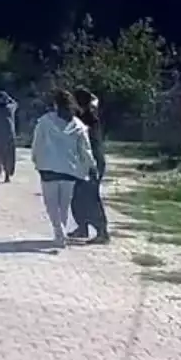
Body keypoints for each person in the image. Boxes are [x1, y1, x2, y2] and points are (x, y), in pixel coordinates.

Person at [31, 88, 97, 248]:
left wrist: (36, 161)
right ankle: (60, 232)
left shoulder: (45, 121)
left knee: (51, 205)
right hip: (69, 170)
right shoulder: (78, 125)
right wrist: (90, 166)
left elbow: (37, 144)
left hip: (48, 168)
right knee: (64, 206)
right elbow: (85, 149)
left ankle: (59, 231)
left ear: (55, 104)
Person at [68, 87, 110, 244]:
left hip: (93, 162)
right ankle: (82, 227)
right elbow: (94, 98)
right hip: (85, 161)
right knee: (78, 196)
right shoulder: (84, 114)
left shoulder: (88, 118)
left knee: (91, 197)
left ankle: (102, 232)